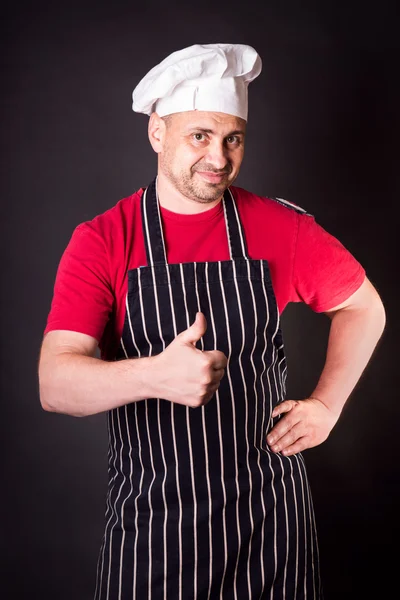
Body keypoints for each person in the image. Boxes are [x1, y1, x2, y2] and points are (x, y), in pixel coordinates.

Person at [38, 43, 386, 599]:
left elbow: (364, 306)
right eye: (199, 135)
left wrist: (328, 404)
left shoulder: (281, 228)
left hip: (271, 525)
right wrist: (154, 375)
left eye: (233, 139)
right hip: (153, 530)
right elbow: (55, 384)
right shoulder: (103, 240)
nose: (218, 158)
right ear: (158, 132)